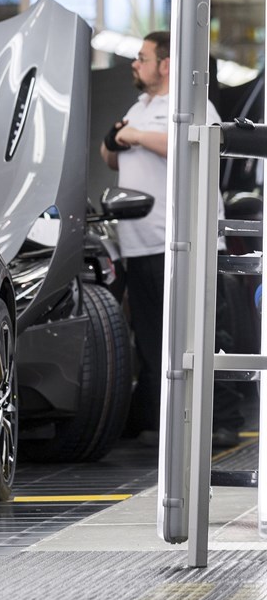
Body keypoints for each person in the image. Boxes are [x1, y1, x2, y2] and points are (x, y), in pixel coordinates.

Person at [100, 30, 242, 450]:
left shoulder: (195, 106)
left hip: (185, 241)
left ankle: (225, 419)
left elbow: (194, 147)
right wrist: (113, 143)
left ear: (165, 64)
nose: (134, 64)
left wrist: (135, 137)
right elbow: (112, 158)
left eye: (142, 57)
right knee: (151, 338)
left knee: (204, 335)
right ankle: (166, 420)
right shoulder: (139, 106)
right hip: (139, 242)